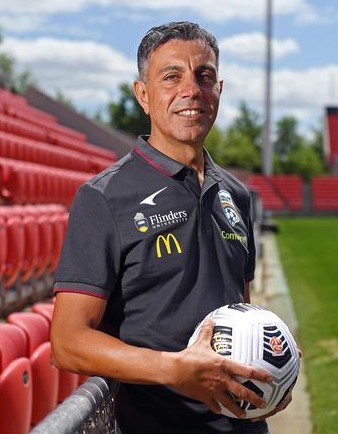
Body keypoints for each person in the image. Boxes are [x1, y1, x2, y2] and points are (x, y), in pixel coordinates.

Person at [51, 21, 290, 433]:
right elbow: (68, 342)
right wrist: (173, 369)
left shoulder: (237, 194)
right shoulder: (104, 197)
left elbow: (240, 310)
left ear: (219, 89)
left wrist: (276, 361)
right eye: (171, 76)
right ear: (143, 95)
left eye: (205, 76)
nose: (191, 90)